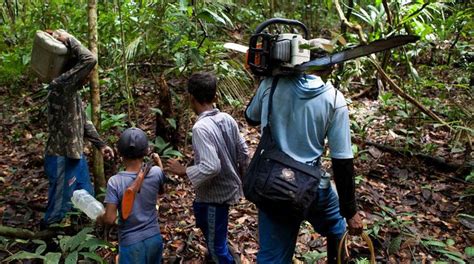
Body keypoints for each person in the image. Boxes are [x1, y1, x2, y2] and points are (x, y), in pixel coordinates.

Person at [245, 69, 363, 263]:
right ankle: (338, 259)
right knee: (337, 226)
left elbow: (251, 116)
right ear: (331, 67)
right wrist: (350, 211)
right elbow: (342, 161)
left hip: (274, 187)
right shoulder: (334, 98)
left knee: (272, 257)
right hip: (313, 185)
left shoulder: (271, 85)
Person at [167, 72, 249, 264]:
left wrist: (183, 171)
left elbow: (212, 166)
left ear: (191, 98)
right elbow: (243, 153)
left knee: (216, 247)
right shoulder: (227, 118)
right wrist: (243, 181)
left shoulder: (200, 128)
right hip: (225, 189)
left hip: (215, 195)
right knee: (209, 225)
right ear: (215, 96)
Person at [42, 31, 114, 227]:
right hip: (60, 156)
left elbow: (82, 120)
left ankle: (80, 235)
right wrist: (69, 39)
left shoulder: (71, 92)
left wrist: (101, 145)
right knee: (59, 206)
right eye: (86, 73)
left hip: (74, 154)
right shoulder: (61, 86)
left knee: (84, 197)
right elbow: (90, 59)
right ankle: (47, 238)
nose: (89, 76)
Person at [98, 127, 165, 264]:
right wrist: (159, 163)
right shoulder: (156, 172)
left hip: (131, 244)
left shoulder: (115, 182)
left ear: (120, 152)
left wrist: (100, 217)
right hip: (154, 238)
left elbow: (110, 219)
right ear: (146, 151)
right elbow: (161, 190)